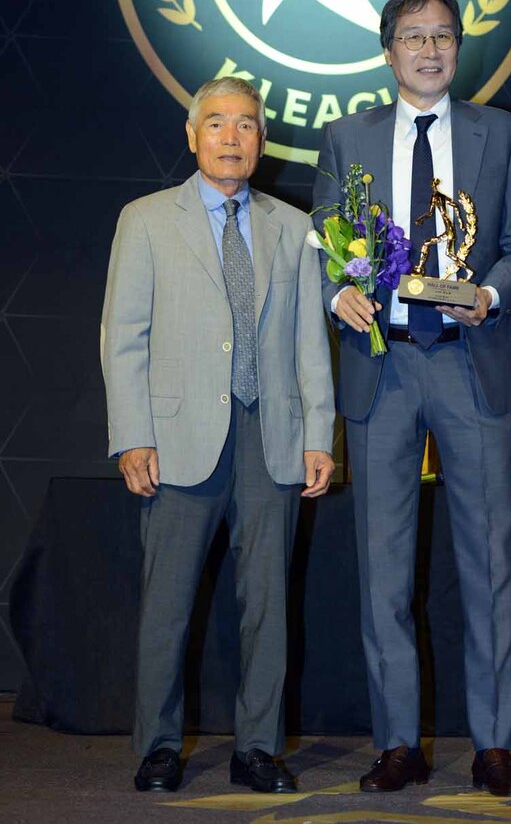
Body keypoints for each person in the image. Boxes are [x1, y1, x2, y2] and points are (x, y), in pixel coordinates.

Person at [313, 0, 511, 797]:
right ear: (388, 51)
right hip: (383, 367)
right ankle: (398, 744)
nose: (430, 49)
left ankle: (493, 745)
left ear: (457, 47)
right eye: (413, 36)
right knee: (383, 569)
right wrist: (336, 292)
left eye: (443, 35)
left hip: (469, 360)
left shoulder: (501, 133)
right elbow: (325, 243)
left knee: (491, 564)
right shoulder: (346, 137)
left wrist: (492, 292)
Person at [102, 77, 335, 795]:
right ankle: (158, 747)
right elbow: (123, 337)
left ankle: (257, 749)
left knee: (268, 605)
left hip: (272, 437)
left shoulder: (294, 227)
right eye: (216, 123)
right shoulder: (145, 220)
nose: (231, 137)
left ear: (263, 139)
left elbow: (310, 341)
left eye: (246, 125)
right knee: (167, 606)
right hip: (177, 442)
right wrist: (132, 435)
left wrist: (319, 434)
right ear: (191, 134)